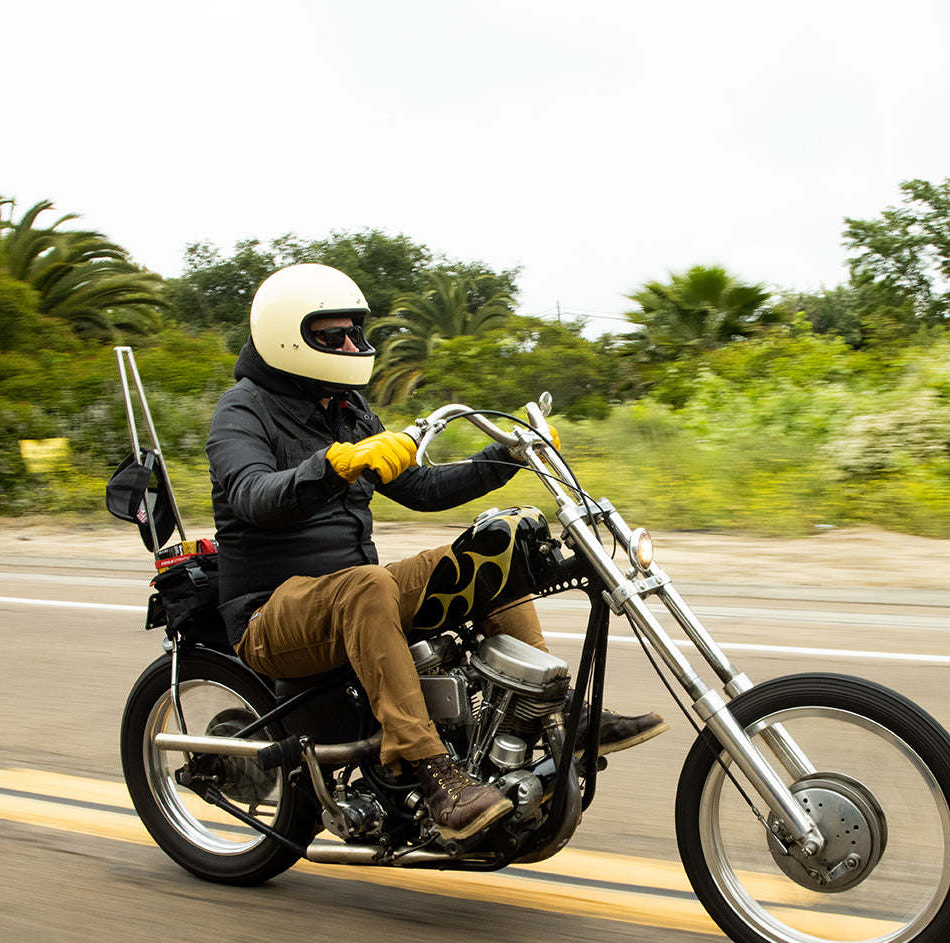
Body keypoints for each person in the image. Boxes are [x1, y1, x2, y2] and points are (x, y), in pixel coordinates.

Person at [206, 263, 666, 841]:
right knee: (367, 585)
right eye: (333, 337)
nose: (352, 346)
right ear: (287, 338)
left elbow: (419, 488)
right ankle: (432, 771)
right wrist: (329, 467)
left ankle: (556, 715)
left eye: (354, 333)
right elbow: (250, 494)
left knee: (492, 552)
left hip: (349, 594)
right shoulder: (241, 410)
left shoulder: (345, 408)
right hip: (272, 614)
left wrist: (506, 459)